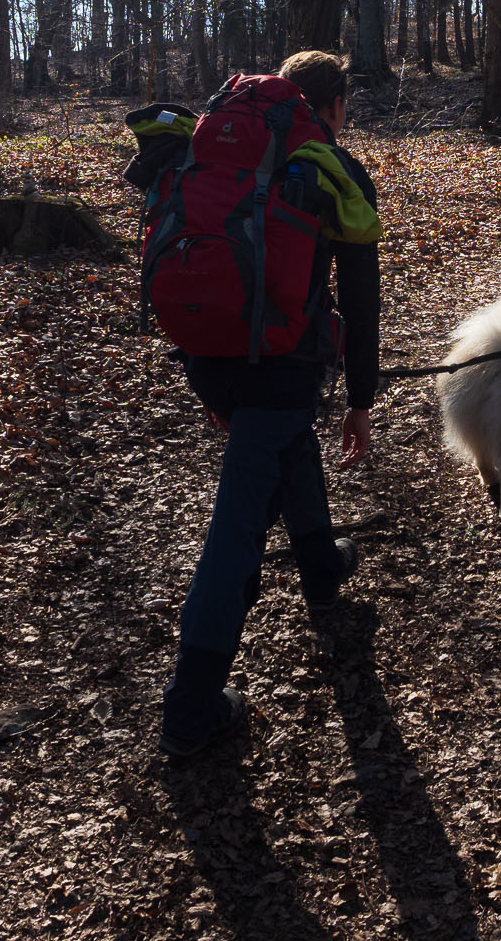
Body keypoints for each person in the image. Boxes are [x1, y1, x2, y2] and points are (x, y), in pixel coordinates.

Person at [153, 50, 382, 758]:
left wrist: (202, 373)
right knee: (239, 516)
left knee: (283, 439)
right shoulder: (328, 166)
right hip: (280, 363)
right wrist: (362, 398)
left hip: (210, 352)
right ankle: (192, 701)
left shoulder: (221, 157)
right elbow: (363, 295)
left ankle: (319, 561)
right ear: (333, 104)